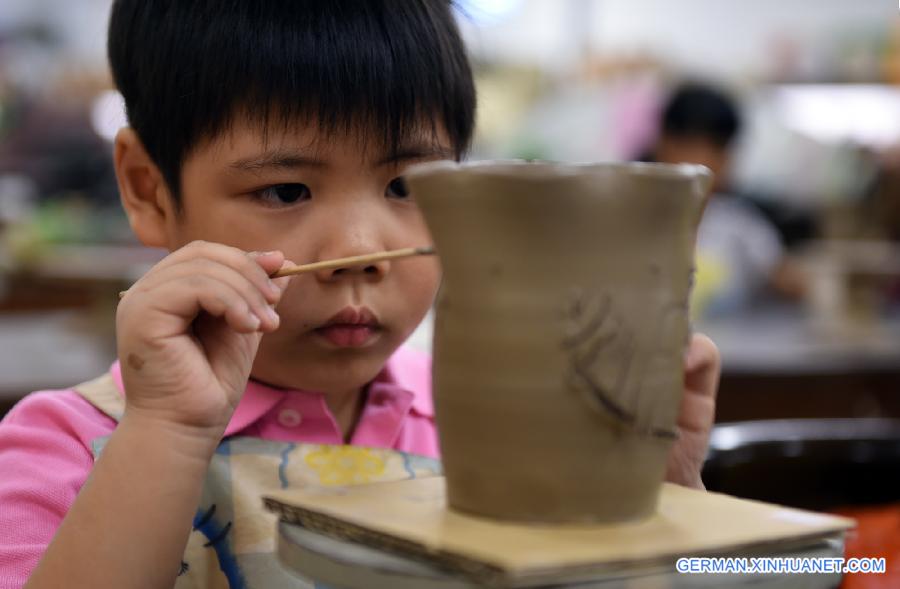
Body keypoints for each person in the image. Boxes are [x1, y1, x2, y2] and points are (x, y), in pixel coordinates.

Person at [0, 3, 721, 588]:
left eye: (407, 185)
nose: (356, 254)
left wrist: (664, 497)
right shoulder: (66, 449)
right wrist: (167, 431)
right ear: (147, 187)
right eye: (285, 189)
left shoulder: (502, 434)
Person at [649, 82, 807, 315]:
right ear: (662, 145)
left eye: (718, 151)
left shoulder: (740, 226)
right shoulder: (635, 225)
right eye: (691, 146)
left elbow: (792, 283)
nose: (704, 161)